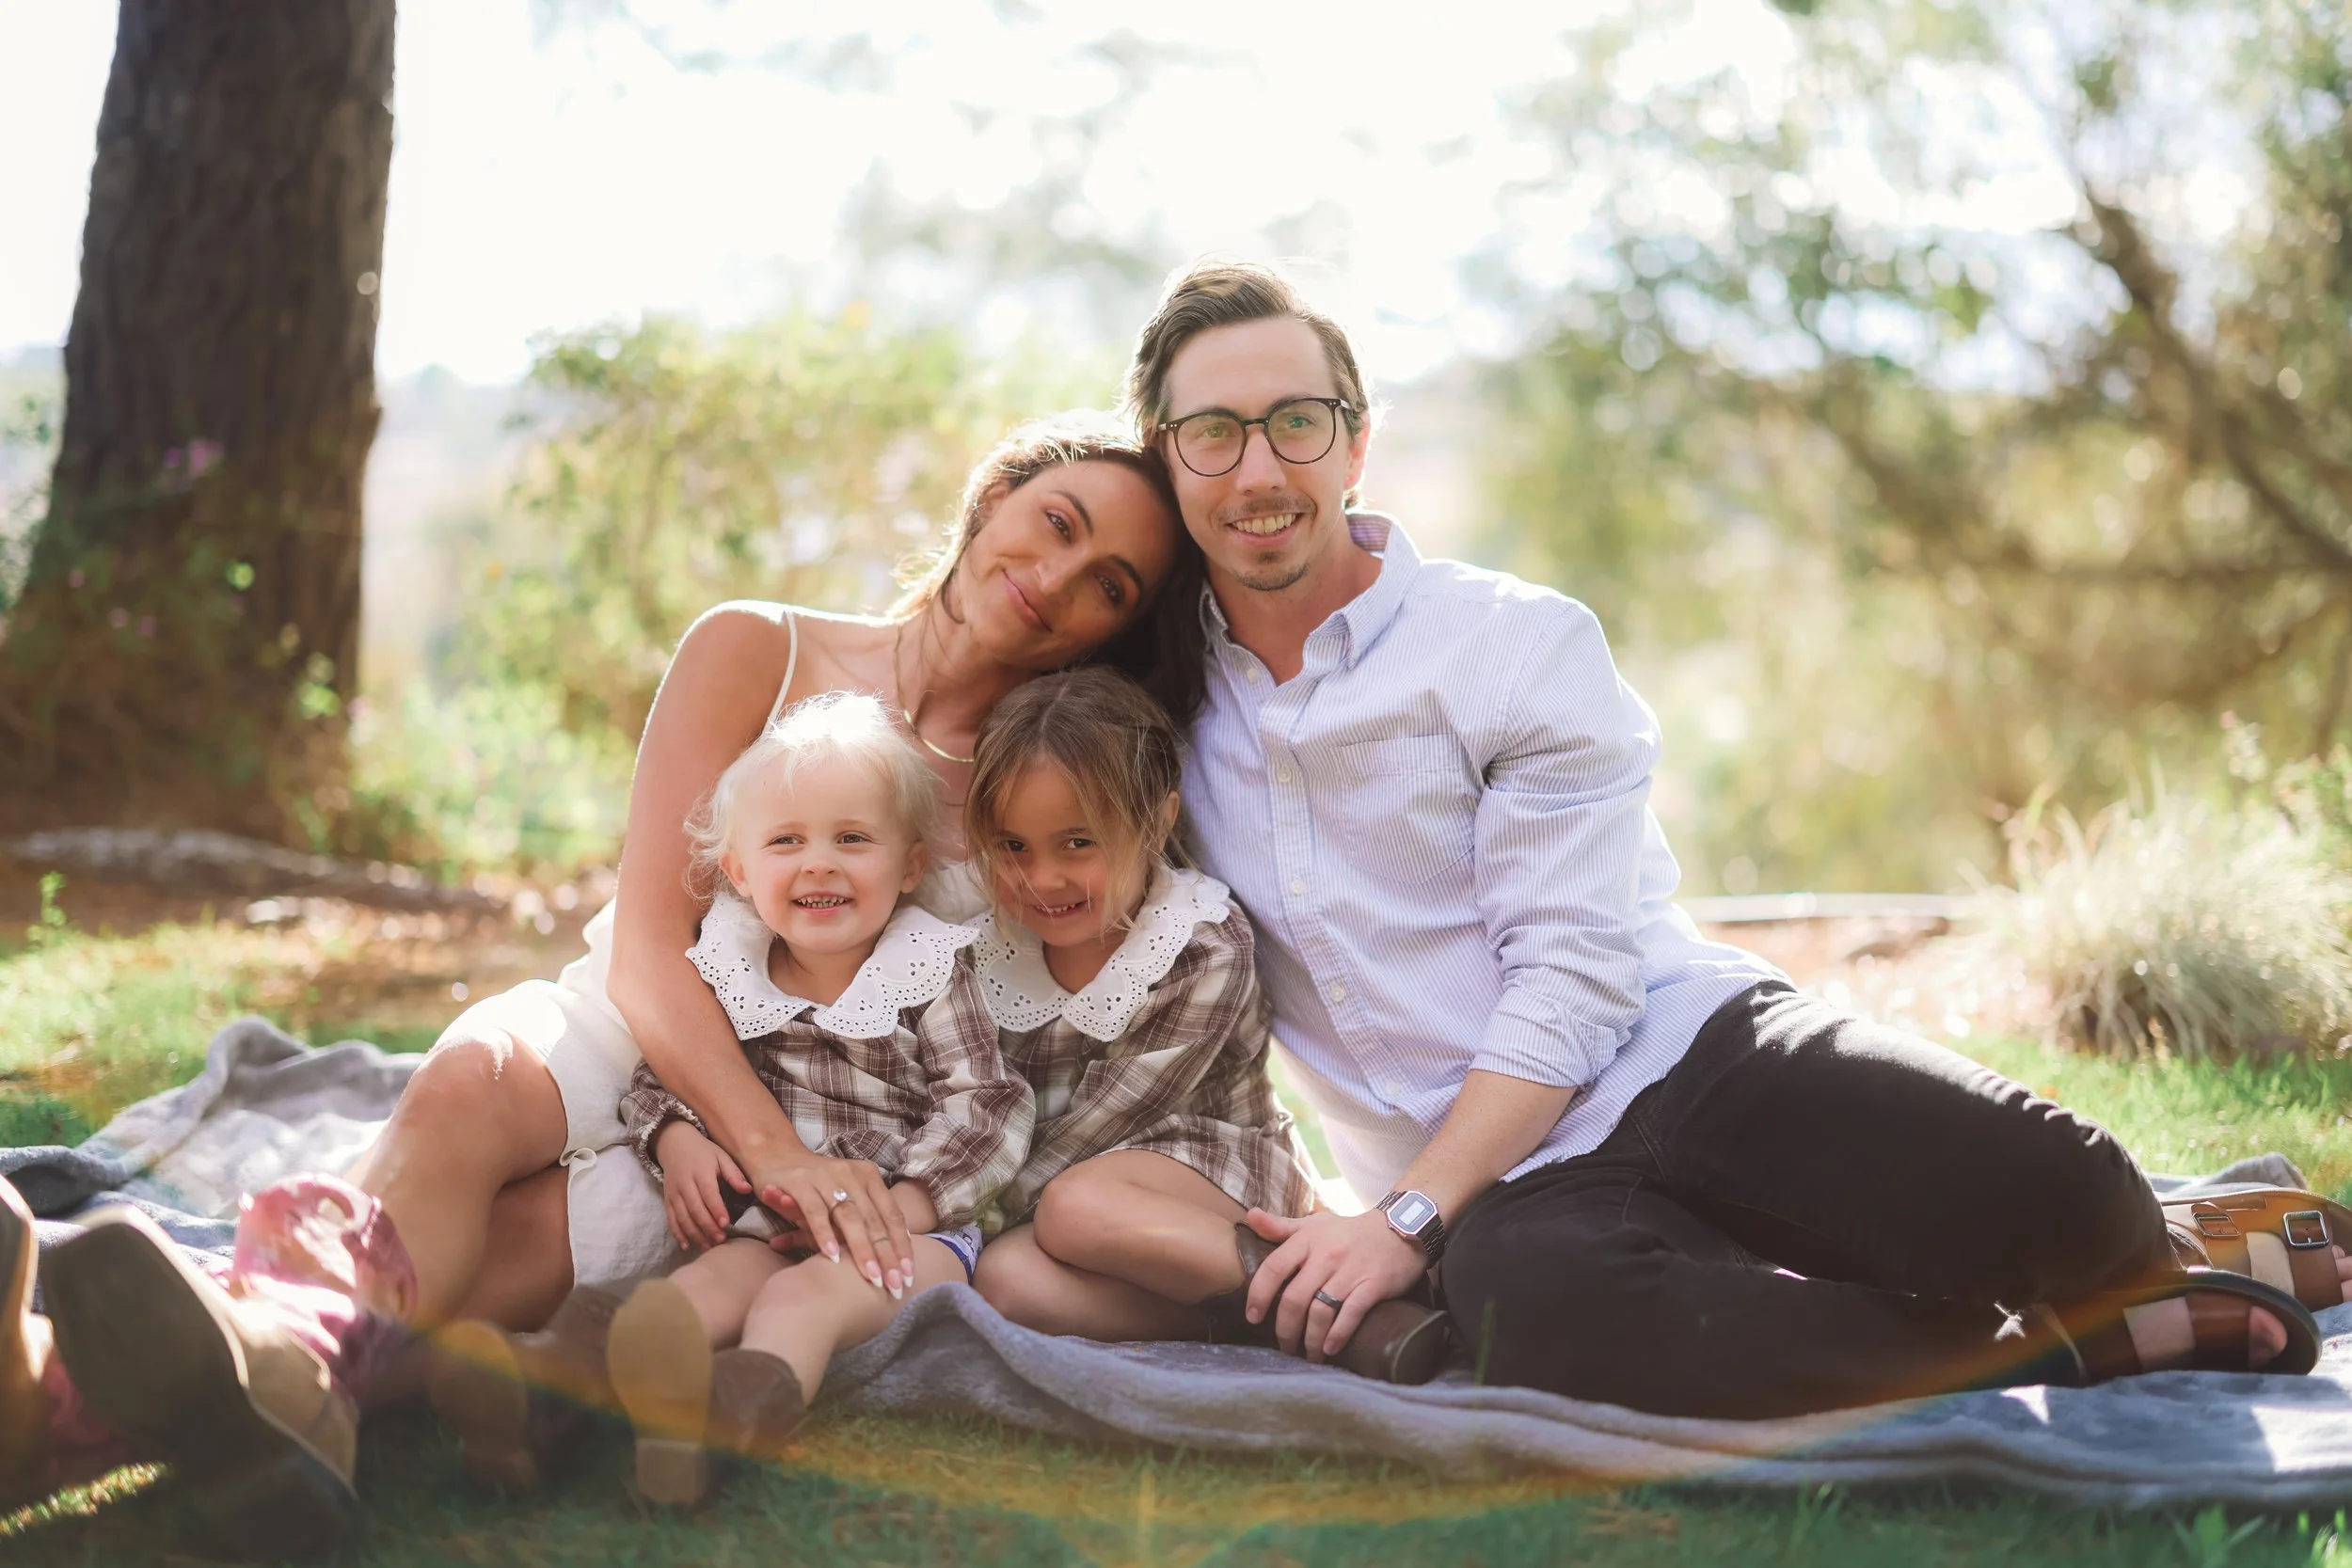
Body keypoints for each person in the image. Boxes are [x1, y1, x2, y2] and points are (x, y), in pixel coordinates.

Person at [1120, 259, 2341, 1417]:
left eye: (1296, 421)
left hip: (1683, 1046)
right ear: (1169, 462)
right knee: (1536, 1320)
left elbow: (1576, 978)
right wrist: (1422, 1212)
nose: (1257, 468)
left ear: (1356, 441)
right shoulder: (1145, 708)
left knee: (2074, 1202)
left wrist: (1400, 1221)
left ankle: (2164, 1241)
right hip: (1505, 1188)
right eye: (1213, 433)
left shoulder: (1513, 644)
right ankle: (2051, 1343)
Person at [19, 414, 1192, 1549]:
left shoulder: (1032, 793)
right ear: (991, 498)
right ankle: (264, 1377)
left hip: (782, 1131)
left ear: (1105, 633)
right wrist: (759, 1147)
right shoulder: (757, 645)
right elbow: (646, 944)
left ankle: (61, 1398)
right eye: (1055, 520)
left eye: (1108, 582)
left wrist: (791, 1165)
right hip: (638, 1023)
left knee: (493, 1263)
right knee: (469, 1080)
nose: (1058, 572)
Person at [436, 691, 1029, 1504]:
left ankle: (722, 1418)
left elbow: (988, 1105)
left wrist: (908, 1204)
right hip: (774, 1224)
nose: (819, 863)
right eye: (787, 841)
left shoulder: (932, 970)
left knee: (802, 1297)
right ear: (742, 872)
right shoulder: (735, 971)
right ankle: (545, 1387)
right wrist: (677, 1138)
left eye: (852, 839)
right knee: (697, 1292)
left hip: (912, 1241)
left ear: (911, 864)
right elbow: (665, 1077)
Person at [960, 666, 1452, 1382]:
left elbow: (1099, 1129)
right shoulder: (985, 949)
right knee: (1004, 1281)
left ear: (1157, 821)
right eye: (1013, 846)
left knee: (1076, 1206)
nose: (1043, 878)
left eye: (1077, 843)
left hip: (1215, 1174)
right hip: (1063, 1199)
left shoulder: (1197, 942)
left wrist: (960, 1213)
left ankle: (1355, 1292)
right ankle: (1292, 1324)